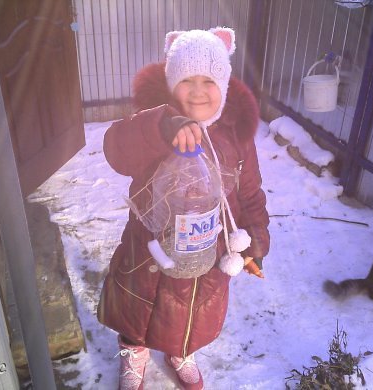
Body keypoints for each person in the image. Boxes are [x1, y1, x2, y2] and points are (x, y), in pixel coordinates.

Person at [97, 27, 270, 390]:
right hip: (150, 247)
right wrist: (162, 126)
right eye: (186, 79)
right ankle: (134, 351)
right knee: (139, 308)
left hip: (209, 247)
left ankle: (181, 351)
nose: (197, 90)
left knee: (191, 311)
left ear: (223, 84)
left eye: (208, 80)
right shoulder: (155, 121)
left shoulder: (235, 135)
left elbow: (250, 192)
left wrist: (254, 241)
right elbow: (117, 148)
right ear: (171, 82)